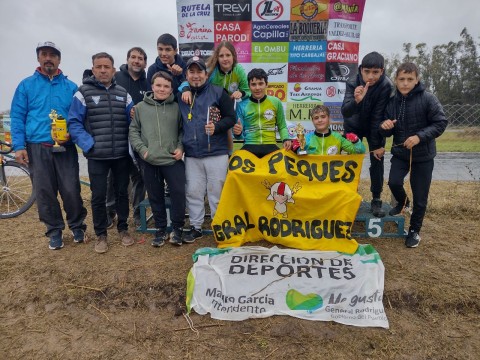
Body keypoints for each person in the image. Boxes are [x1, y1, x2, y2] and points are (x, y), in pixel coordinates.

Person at [10, 41, 87, 250]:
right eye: (44, 54)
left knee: (71, 188)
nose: (48, 58)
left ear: (59, 59)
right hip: (37, 146)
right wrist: (19, 146)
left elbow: (79, 116)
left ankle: (77, 225)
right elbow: (17, 116)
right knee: (45, 191)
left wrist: (72, 135)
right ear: (38, 58)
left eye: (52, 55)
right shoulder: (26, 85)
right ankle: (54, 230)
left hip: (65, 147)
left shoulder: (70, 87)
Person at [68, 52, 135, 254]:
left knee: (122, 193)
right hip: (97, 155)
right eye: (99, 67)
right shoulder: (82, 93)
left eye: (107, 67)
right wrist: (88, 144)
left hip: (122, 155)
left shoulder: (124, 93)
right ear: (93, 69)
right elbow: (73, 122)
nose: (103, 70)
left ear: (114, 70)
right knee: (98, 196)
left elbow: (134, 122)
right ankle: (101, 234)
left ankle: (123, 229)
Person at [380, 62, 447, 248]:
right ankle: (403, 202)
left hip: (423, 156)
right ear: (396, 80)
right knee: (393, 182)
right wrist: (385, 127)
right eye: (401, 79)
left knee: (420, 197)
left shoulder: (428, 99)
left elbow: (441, 123)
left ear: (417, 80)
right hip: (401, 153)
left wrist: (419, 137)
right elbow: (386, 131)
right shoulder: (392, 102)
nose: (405, 83)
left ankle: (414, 231)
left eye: (410, 79)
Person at [178, 56, 236, 243]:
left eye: (199, 72)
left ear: (205, 74)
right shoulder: (181, 96)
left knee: (216, 191)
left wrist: (217, 127)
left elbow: (231, 118)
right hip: (192, 154)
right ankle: (196, 227)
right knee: (193, 191)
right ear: (186, 75)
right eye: (192, 72)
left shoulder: (219, 92)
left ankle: (218, 225)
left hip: (216, 152)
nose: (196, 76)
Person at [129, 71, 186, 247]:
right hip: (150, 160)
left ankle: (177, 229)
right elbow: (134, 131)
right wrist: (143, 151)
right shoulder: (140, 108)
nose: (162, 89)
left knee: (178, 193)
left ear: (171, 89)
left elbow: (183, 131)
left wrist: (180, 147)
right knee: (155, 195)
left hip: (172, 159)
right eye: (159, 85)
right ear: (152, 86)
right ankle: (161, 229)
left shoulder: (177, 107)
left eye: (166, 86)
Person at [341, 51, 394, 218]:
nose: (370, 76)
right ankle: (349, 197)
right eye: (367, 72)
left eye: (375, 72)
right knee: (350, 163)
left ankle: (376, 200)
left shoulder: (386, 86)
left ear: (382, 71)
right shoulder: (351, 82)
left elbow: (378, 116)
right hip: (353, 126)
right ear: (360, 69)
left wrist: (378, 145)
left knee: (377, 161)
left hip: (375, 127)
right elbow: (345, 112)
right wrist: (357, 100)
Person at [181, 41, 250, 153]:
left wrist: (241, 93)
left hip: (232, 105)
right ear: (217, 58)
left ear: (234, 56)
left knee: (236, 124)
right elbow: (190, 80)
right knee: (220, 128)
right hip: (215, 105)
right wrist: (186, 89)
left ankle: (234, 152)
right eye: (221, 56)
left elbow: (248, 91)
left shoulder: (239, 70)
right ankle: (220, 153)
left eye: (228, 55)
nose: (225, 59)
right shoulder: (211, 70)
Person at [106, 47, 149, 227]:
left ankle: (139, 213)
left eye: (140, 58)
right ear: (127, 59)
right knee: (114, 177)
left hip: (140, 136)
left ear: (145, 62)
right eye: (133, 57)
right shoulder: (116, 78)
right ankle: (110, 211)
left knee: (140, 176)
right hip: (118, 135)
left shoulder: (148, 83)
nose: (136, 61)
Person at [233, 68, 292, 158]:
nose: (257, 88)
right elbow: (238, 136)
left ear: (266, 84)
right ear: (249, 86)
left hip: (271, 145)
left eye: (261, 84)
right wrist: (237, 133)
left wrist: (285, 139)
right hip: (249, 146)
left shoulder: (276, 102)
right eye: (253, 84)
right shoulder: (241, 105)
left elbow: (282, 126)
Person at [292, 105, 365, 155]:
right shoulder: (306, 138)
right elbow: (299, 155)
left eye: (323, 117)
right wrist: (296, 150)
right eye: (316, 118)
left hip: (333, 177)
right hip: (312, 177)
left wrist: (356, 142)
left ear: (329, 118)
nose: (320, 120)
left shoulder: (338, 137)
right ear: (312, 121)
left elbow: (359, 152)